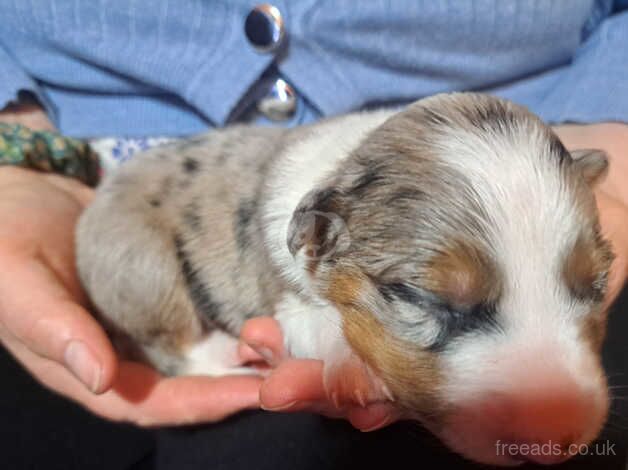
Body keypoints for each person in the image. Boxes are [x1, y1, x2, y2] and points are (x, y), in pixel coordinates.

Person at [0, 1, 627, 469]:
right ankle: (178, 344)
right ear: (319, 235)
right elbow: (304, 305)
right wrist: (14, 153)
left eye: (585, 283)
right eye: (446, 302)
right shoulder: (317, 214)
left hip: (567, 131)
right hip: (113, 189)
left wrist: (616, 145)